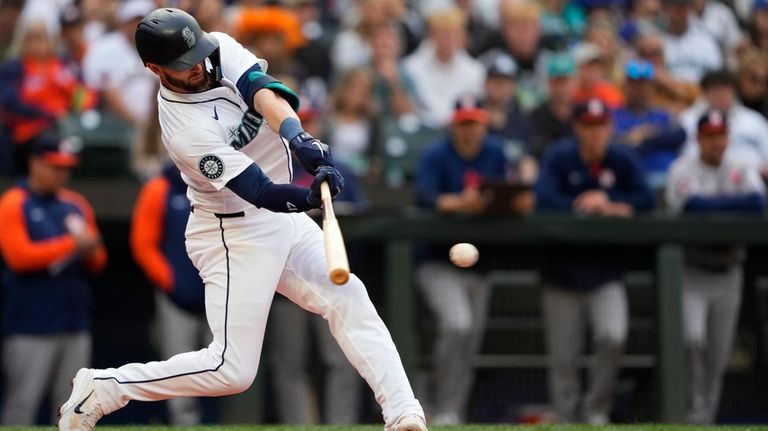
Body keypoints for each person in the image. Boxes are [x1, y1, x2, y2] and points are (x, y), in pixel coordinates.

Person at [58, 8, 426, 431]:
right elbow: (260, 191)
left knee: (350, 298)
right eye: (182, 64)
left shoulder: (217, 45)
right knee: (232, 370)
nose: (196, 65)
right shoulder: (182, 129)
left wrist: (299, 139)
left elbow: (262, 90)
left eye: (196, 54)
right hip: (233, 231)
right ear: (155, 68)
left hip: (278, 221)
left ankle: (403, 414)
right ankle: (108, 386)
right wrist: (308, 195)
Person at [414, 95, 535, 425]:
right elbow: (424, 197)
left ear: (483, 124)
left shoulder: (495, 152)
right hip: (438, 260)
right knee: (457, 324)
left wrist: (519, 201)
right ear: (455, 125)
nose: (469, 130)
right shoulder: (437, 154)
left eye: (475, 123)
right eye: (464, 123)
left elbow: (508, 192)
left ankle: (453, 409)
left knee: (470, 340)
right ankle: (441, 404)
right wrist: (460, 202)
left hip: (481, 263)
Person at [535, 98, 654, 424]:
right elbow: (542, 199)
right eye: (588, 125)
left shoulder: (622, 159)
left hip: (606, 274)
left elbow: (645, 199)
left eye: (600, 125)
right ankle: (565, 416)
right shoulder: (560, 156)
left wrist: (612, 202)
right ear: (577, 128)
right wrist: (582, 203)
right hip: (561, 274)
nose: (595, 132)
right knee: (564, 357)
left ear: (610, 127)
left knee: (613, 335)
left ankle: (597, 410)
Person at [666, 111, 766, 424]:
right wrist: (730, 206)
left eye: (720, 135)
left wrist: (714, 206)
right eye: (709, 136)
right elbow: (691, 207)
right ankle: (690, 413)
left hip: (729, 272)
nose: (715, 142)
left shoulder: (739, 167)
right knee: (692, 340)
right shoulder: (683, 168)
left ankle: (705, 418)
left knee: (718, 356)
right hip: (692, 270)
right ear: (698, 139)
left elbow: (756, 203)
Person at [0, 134, 107, 425]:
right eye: (54, 166)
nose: (62, 174)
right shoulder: (13, 202)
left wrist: (89, 247)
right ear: (34, 163)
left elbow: (98, 260)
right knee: (21, 406)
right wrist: (72, 245)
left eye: (66, 167)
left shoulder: (75, 204)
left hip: (74, 320)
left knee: (74, 409)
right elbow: (18, 257)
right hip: (29, 323)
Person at [130, 163, 208, 425]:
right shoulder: (159, 188)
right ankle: (184, 423)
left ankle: (233, 421)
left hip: (219, 291)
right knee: (179, 362)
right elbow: (143, 243)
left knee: (233, 364)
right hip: (176, 296)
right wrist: (171, 282)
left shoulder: (217, 181)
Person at [679, 70, 768, 180]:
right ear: (705, 93)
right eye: (714, 90)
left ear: (734, 91)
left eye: (725, 89)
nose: (720, 95)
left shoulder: (754, 120)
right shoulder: (688, 120)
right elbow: (687, 155)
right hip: (704, 180)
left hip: (754, 179)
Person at [613, 60, 686, 189]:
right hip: (630, 179)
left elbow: (680, 135)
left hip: (665, 176)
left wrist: (647, 136)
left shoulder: (662, 114)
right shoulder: (614, 115)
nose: (639, 89)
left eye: (644, 84)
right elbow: (611, 145)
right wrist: (628, 138)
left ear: (652, 87)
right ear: (626, 86)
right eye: (635, 84)